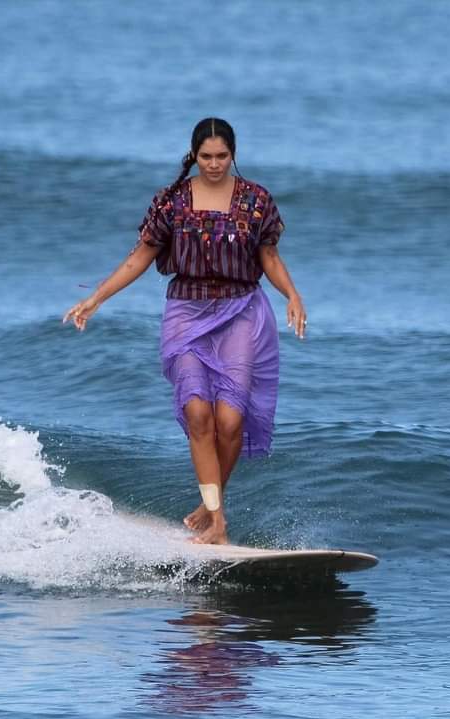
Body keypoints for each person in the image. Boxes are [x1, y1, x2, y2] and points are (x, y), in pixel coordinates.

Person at [63, 117, 306, 545]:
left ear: (233, 154)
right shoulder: (171, 202)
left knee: (230, 420)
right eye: (206, 156)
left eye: (222, 156)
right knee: (198, 412)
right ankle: (218, 521)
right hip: (187, 313)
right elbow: (140, 257)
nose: (214, 164)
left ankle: (212, 505)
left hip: (242, 312)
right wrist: (96, 298)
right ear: (194, 155)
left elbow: (268, 257)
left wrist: (292, 295)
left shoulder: (255, 201)